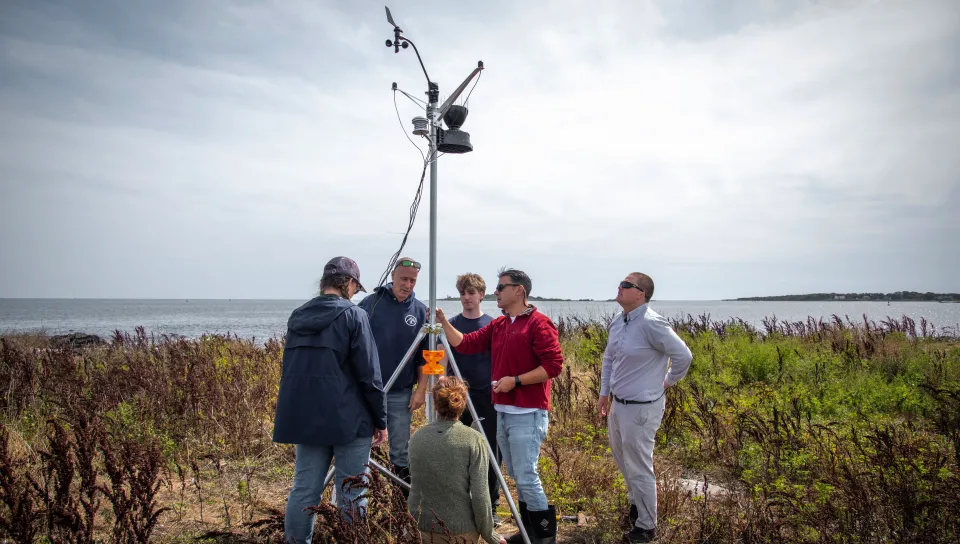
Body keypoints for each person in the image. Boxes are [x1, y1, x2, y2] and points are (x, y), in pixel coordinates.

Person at [437, 267, 563, 544]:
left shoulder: (538, 324)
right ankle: (529, 531)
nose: (496, 292)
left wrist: (515, 381)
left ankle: (544, 536)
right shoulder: (501, 324)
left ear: (519, 290)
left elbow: (553, 366)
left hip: (527, 412)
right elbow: (466, 344)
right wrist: (444, 321)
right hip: (504, 410)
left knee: (527, 475)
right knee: (518, 474)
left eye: (501, 287)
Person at [273, 256, 389, 544]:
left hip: (307, 420)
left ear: (324, 283)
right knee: (352, 491)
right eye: (355, 288)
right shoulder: (354, 316)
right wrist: (381, 420)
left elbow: (290, 371)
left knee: (304, 490)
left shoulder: (297, 316)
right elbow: (370, 375)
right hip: (350, 421)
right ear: (349, 283)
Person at [597, 273, 693, 543]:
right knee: (622, 459)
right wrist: (604, 393)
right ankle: (637, 504)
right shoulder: (619, 322)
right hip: (619, 404)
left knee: (639, 465)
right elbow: (609, 358)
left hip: (642, 408)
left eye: (627, 285)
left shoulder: (652, 323)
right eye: (620, 283)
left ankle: (646, 526)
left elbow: (683, 356)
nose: (620, 287)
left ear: (641, 294)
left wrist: (668, 381)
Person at [357, 257, 429, 494]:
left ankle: (401, 509)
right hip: (367, 392)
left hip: (401, 393)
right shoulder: (371, 304)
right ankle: (356, 503)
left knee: (400, 450)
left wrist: (421, 390)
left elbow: (425, 356)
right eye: (403, 279)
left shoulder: (420, 311)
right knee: (359, 446)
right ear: (393, 277)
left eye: (413, 281)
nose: (407, 284)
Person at [407, 376, 506, 544]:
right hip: (460, 533)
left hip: (417, 531)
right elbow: (481, 496)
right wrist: (490, 535)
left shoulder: (416, 438)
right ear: (463, 403)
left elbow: (417, 487)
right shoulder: (474, 440)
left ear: (435, 404)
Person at [447, 273, 503, 525]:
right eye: (462, 293)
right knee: (454, 449)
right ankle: (456, 503)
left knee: (490, 449)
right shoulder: (451, 324)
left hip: (485, 395)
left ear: (482, 294)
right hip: (456, 396)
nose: (466, 298)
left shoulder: (494, 325)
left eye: (471, 293)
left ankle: (491, 503)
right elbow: (441, 358)